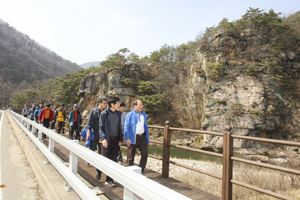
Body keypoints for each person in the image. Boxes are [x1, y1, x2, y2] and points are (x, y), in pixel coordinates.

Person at [99, 96, 122, 187]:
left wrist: (120, 139)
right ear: (112, 104)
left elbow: (119, 127)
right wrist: (103, 139)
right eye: (117, 103)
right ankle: (98, 171)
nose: (119, 105)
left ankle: (109, 179)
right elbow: (101, 128)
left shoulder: (119, 114)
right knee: (104, 159)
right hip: (106, 140)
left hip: (115, 140)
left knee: (113, 160)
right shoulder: (104, 114)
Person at [124, 99, 149, 176]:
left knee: (145, 154)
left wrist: (147, 138)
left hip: (142, 137)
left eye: (142, 105)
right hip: (133, 138)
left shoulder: (143, 114)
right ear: (135, 106)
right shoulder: (130, 115)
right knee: (131, 156)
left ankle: (141, 170)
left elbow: (145, 127)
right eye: (140, 105)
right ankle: (130, 173)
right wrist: (127, 138)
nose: (141, 106)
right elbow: (126, 127)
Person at [86, 98, 107, 180]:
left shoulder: (105, 112)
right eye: (104, 103)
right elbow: (89, 123)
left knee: (101, 150)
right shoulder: (94, 111)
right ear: (99, 103)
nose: (105, 105)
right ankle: (89, 159)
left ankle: (98, 171)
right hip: (94, 132)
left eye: (106, 103)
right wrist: (88, 132)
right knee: (92, 148)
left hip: (102, 134)